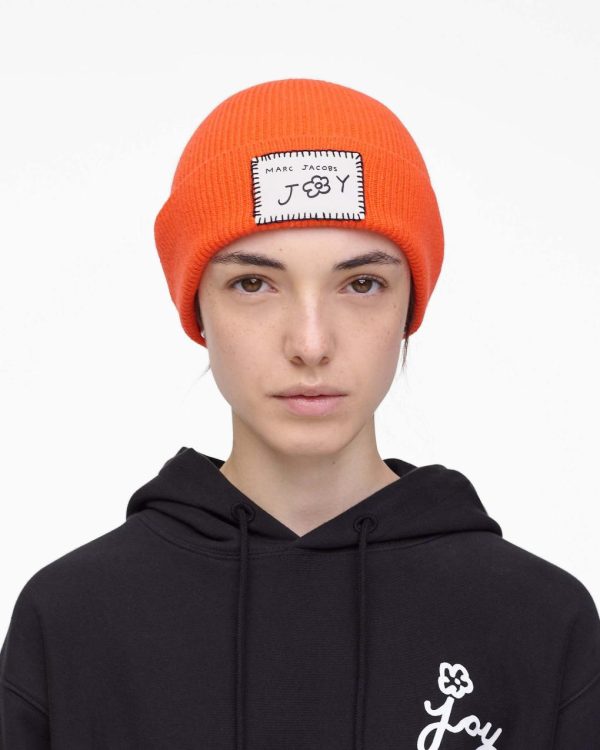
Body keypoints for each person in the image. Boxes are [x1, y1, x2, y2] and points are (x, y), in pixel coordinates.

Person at [1, 77, 599, 749]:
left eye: (362, 283)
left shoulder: (539, 621)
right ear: (198, 308)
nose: (311, 344)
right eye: (253, 283)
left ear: (410, 306)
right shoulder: (73, 617)